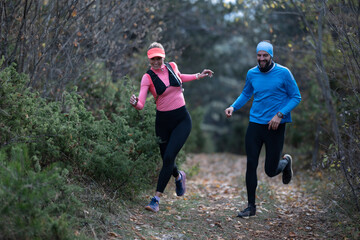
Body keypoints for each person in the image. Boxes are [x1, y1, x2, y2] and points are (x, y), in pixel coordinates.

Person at [130, 42, 214, 213]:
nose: (156, 61)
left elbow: (181, 77)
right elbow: (141, 104)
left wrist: (199, 75)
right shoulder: (147, 77)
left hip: (182, 119)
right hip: (162, 123)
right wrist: (135, 103)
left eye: (159, 58)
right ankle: (179, 176)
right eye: (153, 58)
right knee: (167, 159)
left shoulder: (172, 66)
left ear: (163, 56)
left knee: (169, 157)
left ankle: (156, 200)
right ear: (149, 59)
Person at [224, 40, 301, 218]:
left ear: (271, 56)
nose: (261, 59)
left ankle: (286, 162)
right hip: (255, 124)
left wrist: (280, 114)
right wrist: (233, 107)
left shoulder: (284, 73)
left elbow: (296, 97)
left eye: (265, 55)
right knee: (251, 164)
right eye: (259, 55)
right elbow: (246, 93)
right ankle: (251, 207)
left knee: (270, 170)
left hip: (275, 126)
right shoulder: (252, 73)